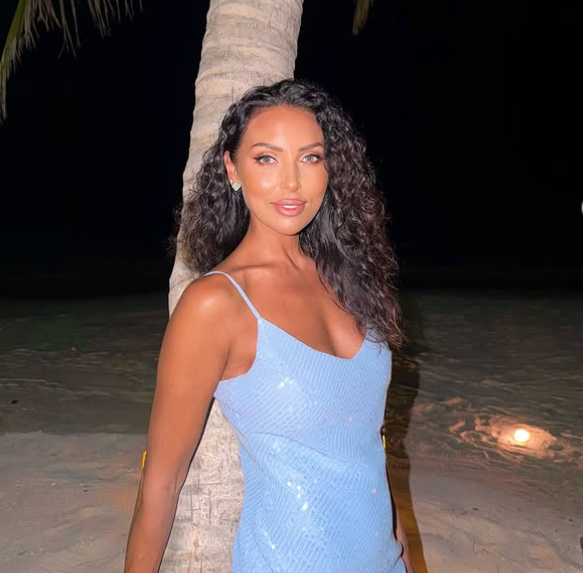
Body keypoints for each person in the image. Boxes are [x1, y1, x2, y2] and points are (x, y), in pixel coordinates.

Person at [124, 78, 415, 573]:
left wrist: (403, 553)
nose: (291, 183)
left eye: (310, 157)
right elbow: (162, 482)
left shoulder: (350, 281)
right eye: (266, 158)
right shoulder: (215, 305)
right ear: (232, 169)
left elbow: (367, 447)